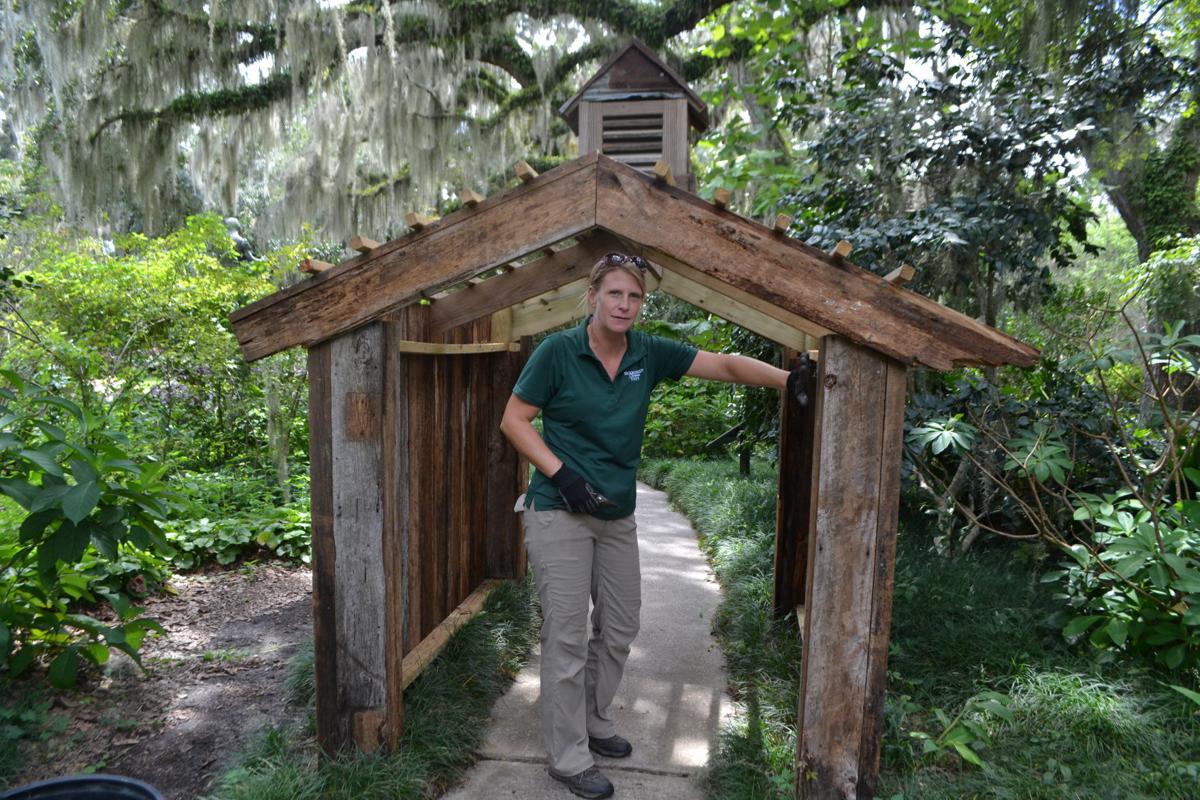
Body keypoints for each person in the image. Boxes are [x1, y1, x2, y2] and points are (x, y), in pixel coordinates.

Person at [499, 252, 803, 800]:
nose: (624, 305)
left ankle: (593, 719)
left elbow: (727, 363)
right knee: (566, 636)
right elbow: (514, 420)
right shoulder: (558, 352)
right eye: (614, 293)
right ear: (592, 297)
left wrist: (792, 379)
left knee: (619, 627)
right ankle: (568, 758)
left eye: (634, 296)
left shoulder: (648, 352)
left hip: (615, 516)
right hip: (561, 511)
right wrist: (562, 475)